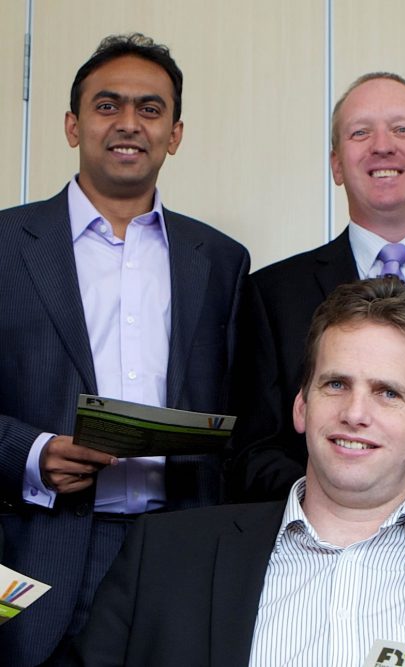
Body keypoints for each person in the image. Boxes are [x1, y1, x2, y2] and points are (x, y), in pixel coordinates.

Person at [74, 279, 405, 667]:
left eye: (388, 393)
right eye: (335, 384)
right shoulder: (164, 556)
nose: (355, 413)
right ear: (301, 407)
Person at [0, 33, 248, 666]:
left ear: (175, 134)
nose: (129, 123)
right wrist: (31, 453)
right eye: (107, 105)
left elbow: (238, 413)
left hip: (180, 552)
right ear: (72, 124)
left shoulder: (220, 260)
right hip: (36, 549)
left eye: (150, 108)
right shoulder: (6, 245)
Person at [226, 72, 405, 517]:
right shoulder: (272, 294)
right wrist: (344, 501)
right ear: (336, 165)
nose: (382, 145)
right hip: (323, 546)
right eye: (360, 133)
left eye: (402, 129)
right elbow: (251, 452)